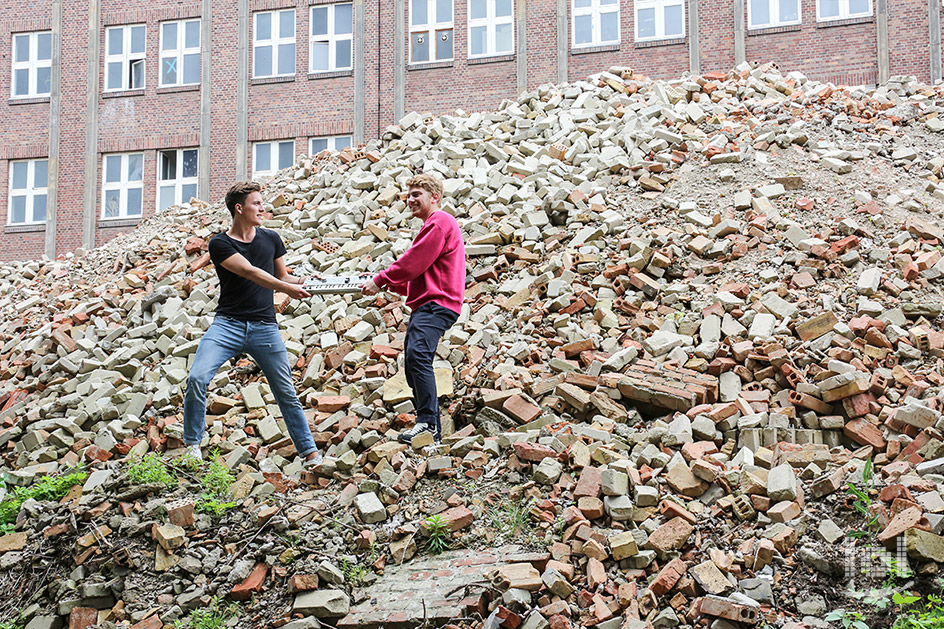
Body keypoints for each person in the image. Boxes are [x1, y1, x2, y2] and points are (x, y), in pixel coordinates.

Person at [182, 181, 322, 466]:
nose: (262, 207)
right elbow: (250, 272)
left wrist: (310, 281)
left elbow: (284, 276)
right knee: (197, 378)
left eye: (262, 202)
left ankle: (310, 453)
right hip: (228, 325)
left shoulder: (271, 238)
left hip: (264, 327)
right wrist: (285, 288)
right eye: (256, 203)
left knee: (286, 392)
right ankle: (193, 446)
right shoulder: (220, 243)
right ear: (239, 208)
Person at [361, 173, 465, 444]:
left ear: (435, 197)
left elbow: (413, 262)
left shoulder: (440, 222)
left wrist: (381, 279)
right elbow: (421, 276)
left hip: (436, 304)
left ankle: (429, 425)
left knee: (418, 356)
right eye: (408, 195)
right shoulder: (433, 226)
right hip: (430, 303)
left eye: (417, 194)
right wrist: (390, 286)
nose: (410, 200)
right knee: (413, 361)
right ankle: (428, 429)